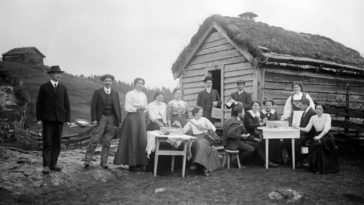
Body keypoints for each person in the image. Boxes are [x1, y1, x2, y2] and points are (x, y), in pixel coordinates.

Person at [36, 65, 71, 174]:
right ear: (51, 75)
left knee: (57, 142)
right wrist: (39, 118)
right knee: (48, 142)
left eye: (60, 74)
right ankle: (46, 165)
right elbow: (39, 104)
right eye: (56, 73)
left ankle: (53, 164)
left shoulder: (63, 88)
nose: (58, 75)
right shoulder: (44, 87)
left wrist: (68, 119)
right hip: (48, 120)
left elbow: (67, 104)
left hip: (60, 119)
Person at [84, 74, 121, 169]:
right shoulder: (97, 92)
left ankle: (104, 162)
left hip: (111, 118)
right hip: (101, 118)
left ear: (112, 82)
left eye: (110, 81)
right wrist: (94, 119)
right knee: (94, 139)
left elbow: (117, 107)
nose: (108, 82)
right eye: (106, 81)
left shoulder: (115, 93)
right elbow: (93, 106)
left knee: (107, 141)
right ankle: (87, 161)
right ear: (103, 82)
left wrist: (117, 120)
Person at [114, 78, 148, 172]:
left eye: (142, 84)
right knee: (133, 138)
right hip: (132, 117)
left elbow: (146, 106)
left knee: (142, 139)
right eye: (138, 83)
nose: (140, 85)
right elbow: (127, 107)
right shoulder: (129, 94)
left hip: (141, 117)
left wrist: (144, 109)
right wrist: (136, 109)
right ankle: (131, 164)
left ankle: (140, 163)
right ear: (134, 84)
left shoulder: (143, 95)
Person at [296, 104, 339, 174]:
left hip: (326, 135)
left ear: (323, 110)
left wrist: (319, 137)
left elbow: (326, 129)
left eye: (320, 109)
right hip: (317, 135)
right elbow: (307, 129)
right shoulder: (313, 117)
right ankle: (315, 167)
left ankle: (322, 167)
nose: (318, 110)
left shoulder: (327, 116)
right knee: (314, 144)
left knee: (318, 144)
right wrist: (297, 127)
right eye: (317, 109)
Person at [183, 106, 222, 176]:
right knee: (199, 144)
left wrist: (203, 127)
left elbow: (214, 128)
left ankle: (200, 166)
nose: (202, 114)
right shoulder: (191, 122)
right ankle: (203, 168)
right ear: (195, 113)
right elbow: (183, 131)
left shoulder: (204, 119)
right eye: (200, 112)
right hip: (195, 139)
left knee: (201, 144)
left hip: (205, 138)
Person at [243, 101, 279, 167]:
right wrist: (261, 123)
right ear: (251, 106)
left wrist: (266, 122)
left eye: (257, 105)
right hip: (250, 135)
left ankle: (265, 160)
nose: (256, 107)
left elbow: (265, 122)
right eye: (254, 105)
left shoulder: (259, 113)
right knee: (259, 143)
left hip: (259, 134)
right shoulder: (248, 114)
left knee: (269, 142)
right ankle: (267, 162)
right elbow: (249, 125)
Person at [289, 98, 317, 167]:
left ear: (306, 105)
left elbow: (310, 128)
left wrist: (298, 130)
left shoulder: (312, 113)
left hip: (309, 135)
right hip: (303, 133)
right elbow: (302, 125)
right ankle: (293, 158)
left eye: (301, 105)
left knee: (296, 141)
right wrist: (296, 128)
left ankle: (299, 161)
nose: (299, 107)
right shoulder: (304, 112)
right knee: (288, 140)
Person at [261, 99, 285, 163]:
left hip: (274, 133)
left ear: (272, 106)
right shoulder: (261, 113)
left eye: (269, 105)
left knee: (277, 143)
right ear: (264, 106)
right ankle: (268, 160)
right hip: (264, 133)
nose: (268, 107)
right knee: (266, 143)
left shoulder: (275, 113)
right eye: (266, 105)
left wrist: (274, 125)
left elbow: (278, 122)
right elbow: (259, 123)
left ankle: (277, 160)